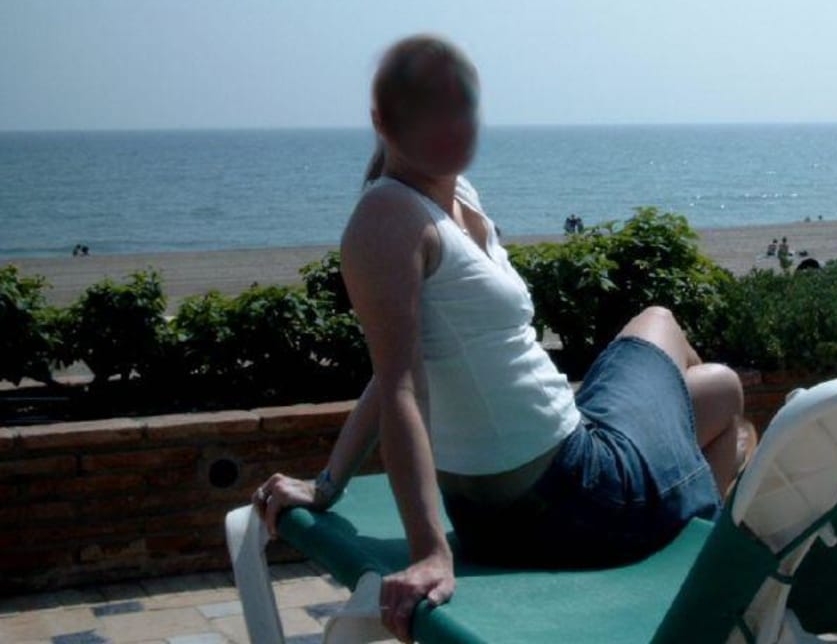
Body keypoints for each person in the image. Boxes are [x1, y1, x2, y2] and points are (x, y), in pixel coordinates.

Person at [249, 34, 749, 642]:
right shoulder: (388, 217)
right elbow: (401, 384)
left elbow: (396, 369)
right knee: (670, 331)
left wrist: (328, 485)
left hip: (547, 478)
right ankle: (709, 547)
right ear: (383, 121)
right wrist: (430, 551)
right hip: (576, 500)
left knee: (718, 390)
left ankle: (706, 503)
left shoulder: (455, 196)